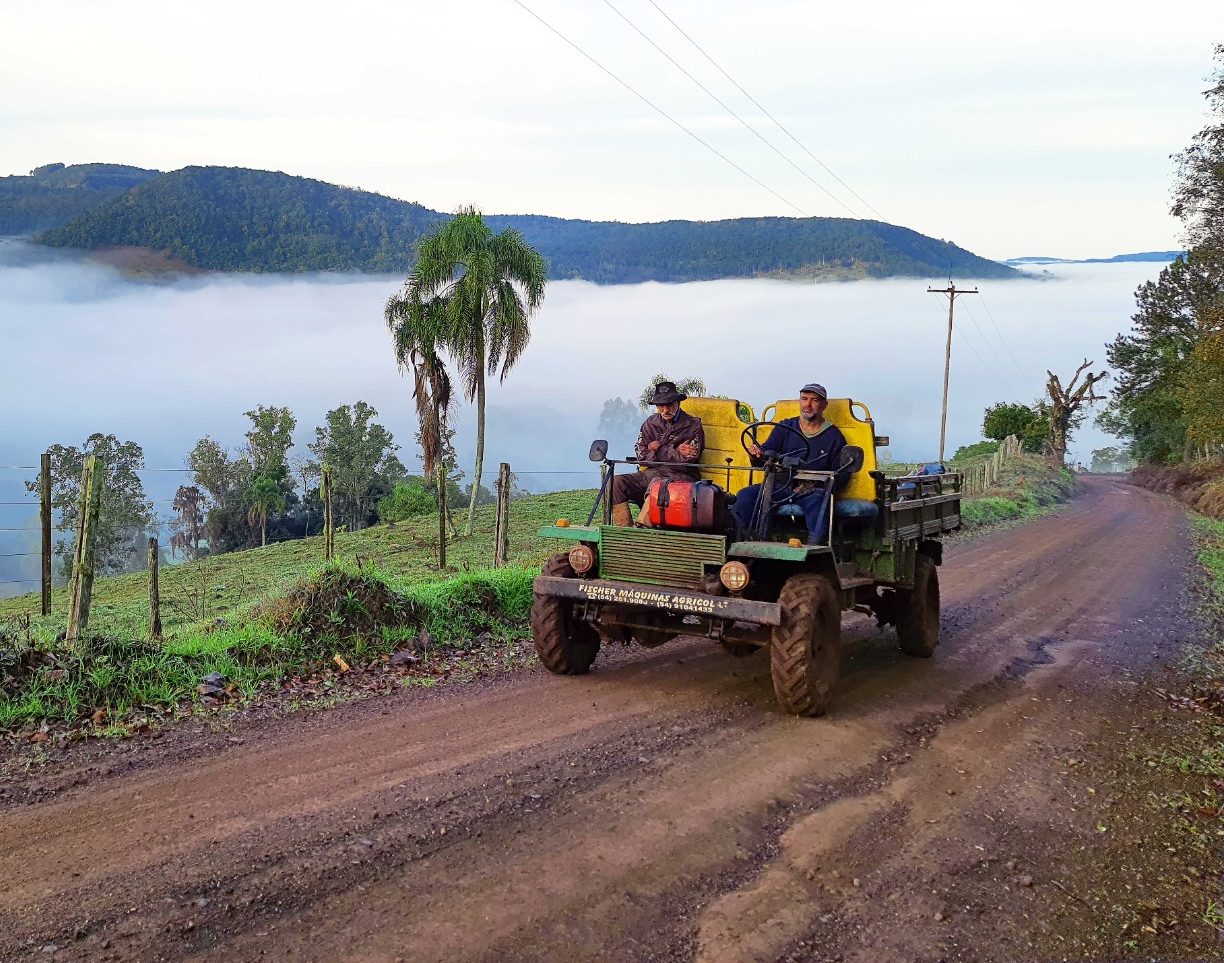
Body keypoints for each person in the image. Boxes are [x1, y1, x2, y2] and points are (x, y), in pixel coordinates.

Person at [731, 383, 851, 544]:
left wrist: (813, 485)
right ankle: (751, 545)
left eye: (814, 400)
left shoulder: (834, 436)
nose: (808, 404)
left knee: (820, 499)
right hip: (779, 486)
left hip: (811, 491)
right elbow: (765, 456)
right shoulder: (785, 427)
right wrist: (756, 453)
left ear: (824, 405)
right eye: (804, 399)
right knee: (746, 496)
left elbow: (842, 474)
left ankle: (815, 550)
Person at [610, 381, 705, 526]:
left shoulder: (693, 425)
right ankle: (624, 531)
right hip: (651, 473)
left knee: (656, 485)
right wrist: (675, 450)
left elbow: (687, 460)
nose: (665, 410)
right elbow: (641, 456)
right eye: (661, 405)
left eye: (669, 404)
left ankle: (642, 529)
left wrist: (657, 449)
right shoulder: (650, 423)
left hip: (681, 478)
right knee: (616, 482)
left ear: (678, 402)